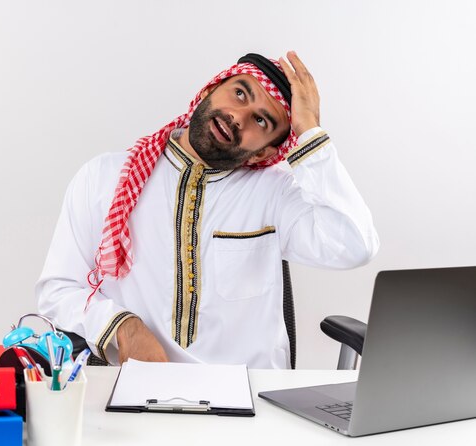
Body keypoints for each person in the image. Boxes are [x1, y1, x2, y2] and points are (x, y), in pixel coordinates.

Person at [36, 51, 379, 368]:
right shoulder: (104, 177)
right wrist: (124, 327)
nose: (237, 117)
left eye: (261, 121)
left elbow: (355, 245)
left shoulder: (275, 193)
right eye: (240, 94)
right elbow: (59, 291)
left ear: (264, 153)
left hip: (252, 407)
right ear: (208, 91)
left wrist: (310, 136)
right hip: (139, 390)